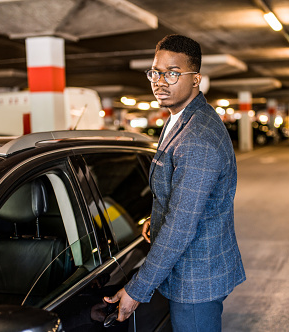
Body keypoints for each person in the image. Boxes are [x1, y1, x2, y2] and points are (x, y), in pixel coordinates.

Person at [104, 34, 246, 331]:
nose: (160, 81)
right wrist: (154, 220)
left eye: (172, 73)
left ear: (196, 79)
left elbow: (181, 226)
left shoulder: (197, 138)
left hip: (196, 279)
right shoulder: (181, 118)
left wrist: (136, 290)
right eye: (155, 72)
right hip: (198, 263)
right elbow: (179, 195)